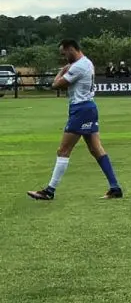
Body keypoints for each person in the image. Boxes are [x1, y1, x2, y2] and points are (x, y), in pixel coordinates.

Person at [27, 39, 123, 200]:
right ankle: (115, 188)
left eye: (64, 54)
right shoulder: (87, 62)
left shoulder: (78, 66)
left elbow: (56, 85)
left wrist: (63, 70)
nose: (64, 57)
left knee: (63, 150)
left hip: (81, 110)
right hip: (88, 108)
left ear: (71, 49)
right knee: (96, 149)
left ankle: (49, 191)